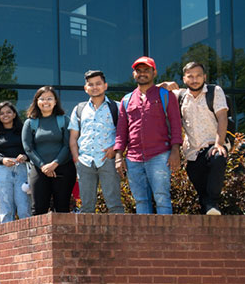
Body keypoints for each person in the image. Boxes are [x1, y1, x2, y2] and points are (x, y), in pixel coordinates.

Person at [115, 56, 183, 215]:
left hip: (159, 155)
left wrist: (175, 150)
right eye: (139, 71)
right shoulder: (127, 100)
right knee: (140, 200)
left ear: (154, 72)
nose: (142, 74)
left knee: (162, 198)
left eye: (146, 70)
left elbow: (175, 124)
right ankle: (144, 239)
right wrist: (119, 156)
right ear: (134, 74)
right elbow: (121, 130)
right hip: (133, 158)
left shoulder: (165, 95)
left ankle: (166, 238)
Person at [160, 61, 230, 215]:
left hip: (213, 145)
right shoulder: (180, 95)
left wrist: (219, 144)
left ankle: (213, 204)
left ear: (204, 77)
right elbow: (150, 91)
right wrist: (164, 84)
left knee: (218, 159)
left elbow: (222, 117)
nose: (194, 79)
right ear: (184, 79)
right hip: (192, 153)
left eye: (198, 76)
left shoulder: (214, 91)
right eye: (190, 76)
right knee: (202, 194)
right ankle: (209, 213)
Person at [69, 70, 125, 214]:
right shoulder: (79, 109)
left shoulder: (117, 107)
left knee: (114, 204)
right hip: (85, 162)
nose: (95, 87)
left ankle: (118, 236)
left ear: (105, 86)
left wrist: (115, 149)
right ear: (85, 88)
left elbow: (125, 132)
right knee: (86, 207)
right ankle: (86, 237)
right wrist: (77, 159)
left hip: (108, 160)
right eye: (91, 84)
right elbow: (73, 137)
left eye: (98, 84)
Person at [22, 87, 75, 214]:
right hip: (39, 170)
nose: (46, 102)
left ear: (55, 101)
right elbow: (28, 148)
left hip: (63, 168)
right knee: (38, 208)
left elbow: (67, 145)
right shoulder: (30, 123)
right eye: (42, 99)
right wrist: (43, 166)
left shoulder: (64, 120)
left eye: (49, 98)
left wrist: (54, 164)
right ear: (36, 101)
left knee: (62, 207)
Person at [0, 102, 30, 223]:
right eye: (2, 113)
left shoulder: (23, 130)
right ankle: (8, 240)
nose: (6, 115)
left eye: (9, 112)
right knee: (5, 209)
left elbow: (31, 151)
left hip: (21, 169)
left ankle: (27, 238)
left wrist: (25, 156)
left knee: (24, 207)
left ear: (14, 114)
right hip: (2, 171)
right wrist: (2, 160)